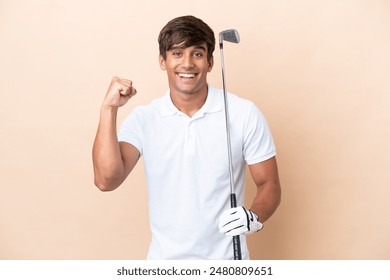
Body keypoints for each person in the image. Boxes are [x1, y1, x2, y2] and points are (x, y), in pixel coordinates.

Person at [92, 15, 281, 260]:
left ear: (211, 62)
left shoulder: (244, 113)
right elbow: (106, 180)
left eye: (198, 54)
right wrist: (109, 109)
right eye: (177, 53)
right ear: (163, 61)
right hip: (164, 265)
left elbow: (269, 184)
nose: (188, 63)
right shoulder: (144, 118)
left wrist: (253, 216)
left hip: (228, 264)